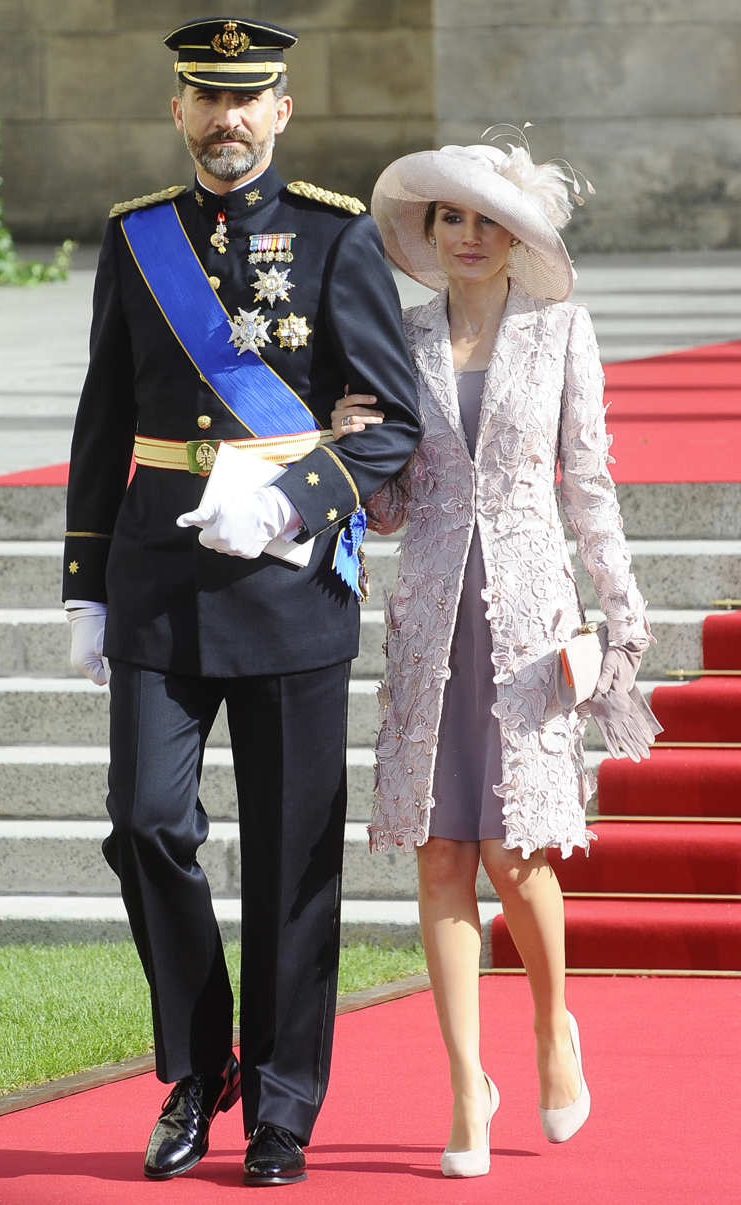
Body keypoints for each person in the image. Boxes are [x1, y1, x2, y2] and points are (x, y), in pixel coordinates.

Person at [62, 16, 420, 1188]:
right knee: (147, 822)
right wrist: (85, 587)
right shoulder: (138, 239)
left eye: (245, 99)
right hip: (158, 582)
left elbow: (395, 420)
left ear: (278, 110)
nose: (225, 120)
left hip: (285, 590)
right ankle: (194, 1063)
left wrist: (291, 501)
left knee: (287, 865)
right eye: (203, 100)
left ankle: (279, 1106)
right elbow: (102, 420)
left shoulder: (334, 238)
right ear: (178, 112)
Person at [331, 136, 659, 1177]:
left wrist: (620, 611)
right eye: (449, 218)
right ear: (426, 233)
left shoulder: (560, 330)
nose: (466, 236)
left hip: (525, 621)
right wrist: (348, 443)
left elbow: (588, 483)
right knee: (439, 853)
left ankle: (553, 1026)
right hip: (429, 619)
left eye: (486, 219)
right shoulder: (402, 336)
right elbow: (386, 507)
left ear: (518, 237)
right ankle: (464, 1085)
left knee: (518, 855)